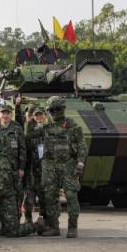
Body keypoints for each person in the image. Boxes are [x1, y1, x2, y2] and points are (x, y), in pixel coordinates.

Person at [37, 96, 87, 238]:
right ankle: (54, 227)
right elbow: (29, 134)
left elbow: (82, 144)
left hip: (68, 164)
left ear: (63, 109)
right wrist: (28, 118)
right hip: (50, 166)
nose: (54, 112)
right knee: (50, 196)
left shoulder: (72, 125)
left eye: (57, 109)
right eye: (51, 110)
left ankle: (72, 227)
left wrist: (81, 162)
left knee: (71, 194)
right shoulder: (46, 126)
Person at [0, 103, 28, 224]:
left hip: (14, 168)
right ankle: (1, 221)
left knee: (17, 194)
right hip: (0, 169)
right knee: (0, 194)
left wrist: (21, 167)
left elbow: (22, 149)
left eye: (7, 113)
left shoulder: (17, 129)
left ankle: (16, 219)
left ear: (11, 115)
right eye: (3, 113)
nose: (5, 115)